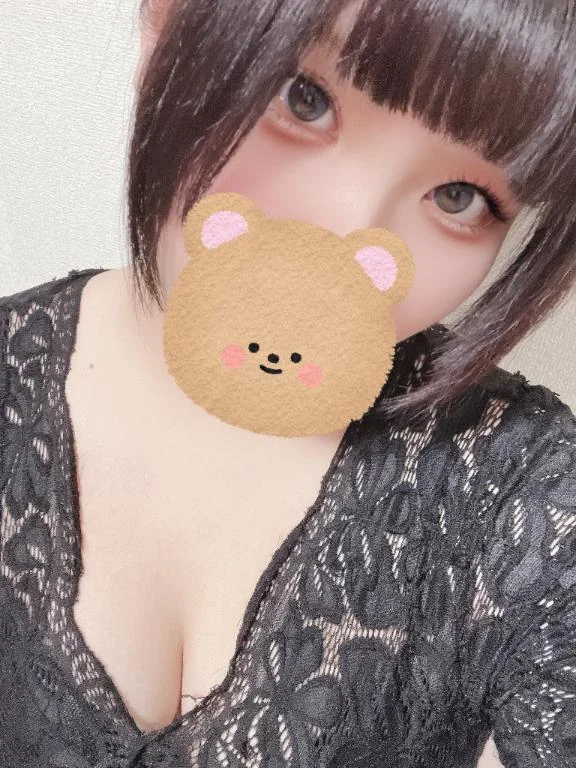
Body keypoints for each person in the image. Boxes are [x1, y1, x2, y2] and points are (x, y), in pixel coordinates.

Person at [1, 0, 575, 766]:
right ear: (166, 24)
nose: (350, 228)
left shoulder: (523, 482)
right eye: (303, 98)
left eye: (460, 198)